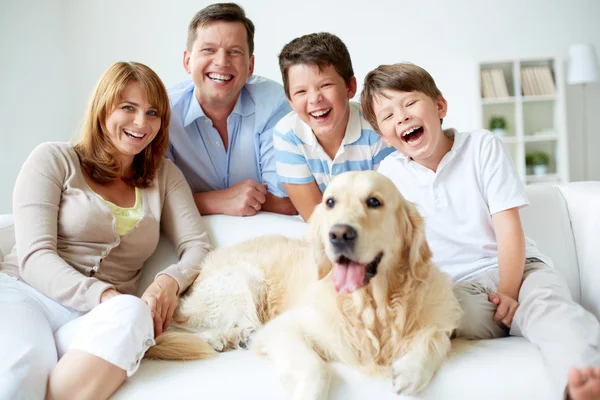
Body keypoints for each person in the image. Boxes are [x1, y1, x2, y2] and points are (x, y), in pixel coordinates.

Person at [359, 62, 600, 400]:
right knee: (432, 318)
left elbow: (508, 228)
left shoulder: (481, 146)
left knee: (550, 306)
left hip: (520, 271)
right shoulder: (389, 174)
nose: (401, 117)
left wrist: (509, 291)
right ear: (384, 137)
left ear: (439, 106)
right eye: (388, 116)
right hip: (457, 288)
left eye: (410, 103)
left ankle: (583, 380)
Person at [0, 61, 213, 400]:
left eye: (153, 112)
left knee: (133, 312)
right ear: (102, 109)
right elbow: (34, 257)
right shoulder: (53, 159)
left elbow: (198, 246)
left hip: (95, 316)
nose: (141, 123)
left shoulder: (165, 175)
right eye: (127, 108)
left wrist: (167, 281)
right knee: (21, 375)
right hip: (27, 295)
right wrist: (102, 295)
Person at [168, 3, 295, 217]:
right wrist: (218, 201)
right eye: (208, 50)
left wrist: (189, 200)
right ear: (187, 61)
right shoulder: (162, 112)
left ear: (250, 66)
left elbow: (286, 201)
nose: (221, 61)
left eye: (234, 52)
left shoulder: (274, 102)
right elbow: (155, 201)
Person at [273, 32, 394, 221]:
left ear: (350, 87)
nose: (314, 99)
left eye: (325, 85)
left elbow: (387, 207)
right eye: (301, 91)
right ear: (290, 100)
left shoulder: (375, 127)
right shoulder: (287, 134)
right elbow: (315, 218)